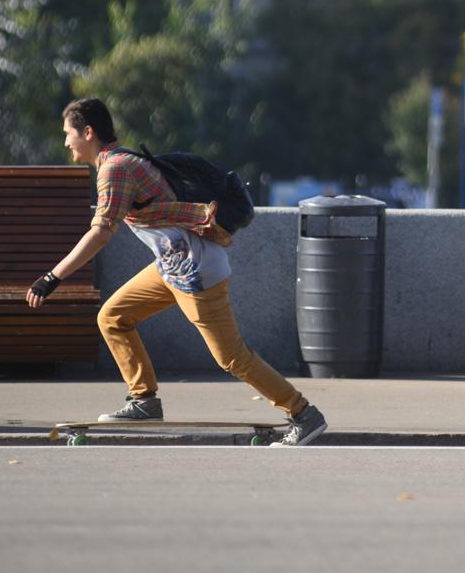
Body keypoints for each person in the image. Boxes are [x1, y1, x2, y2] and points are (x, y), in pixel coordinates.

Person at [27, 97, 329, 447]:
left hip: (196, 271)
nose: (65, 142)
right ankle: (143, 401)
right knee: (112, 317)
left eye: (68, 133)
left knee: (231, 357)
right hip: (172, 266)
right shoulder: (119, 162)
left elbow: (101, 231)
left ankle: (302, 413)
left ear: (88, 132)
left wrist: (52, 277)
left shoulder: (116, 168)